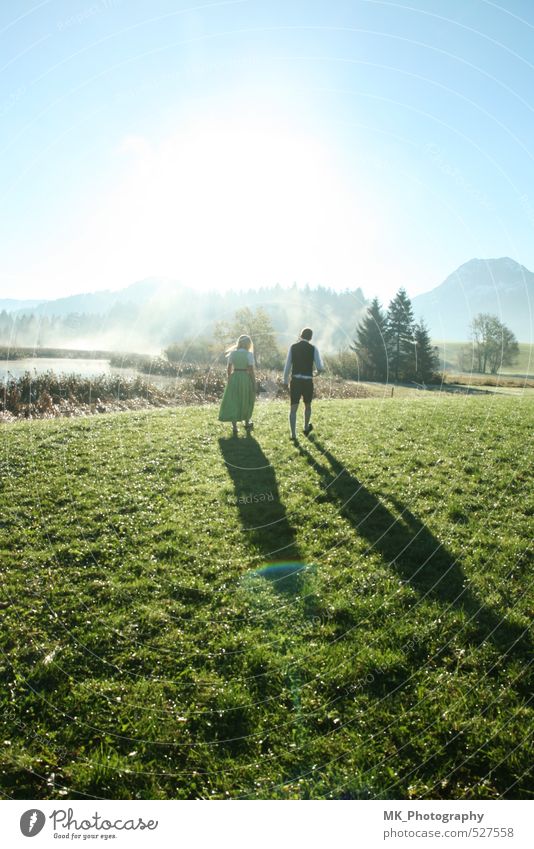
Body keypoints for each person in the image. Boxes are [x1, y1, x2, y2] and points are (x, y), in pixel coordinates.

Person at [283, 327, 324, 440]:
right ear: (310, 337)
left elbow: (287, 367)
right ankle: (306, 427)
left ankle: (293, 434)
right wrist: (315, 373)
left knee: (293, 408)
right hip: (307, 381)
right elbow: (320, 367)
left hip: (295, 381)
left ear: (301, 335)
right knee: (308, 405)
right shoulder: (313, 349)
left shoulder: (293, 347)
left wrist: (285, 381)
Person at [218, 334, 256, 436]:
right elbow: (251, 370)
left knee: (234, 400)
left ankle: (235, 427)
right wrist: (254, 382)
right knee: (246, 399)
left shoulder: (232, 354)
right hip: (245, 377)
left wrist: (229, 378)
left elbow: (229, 368)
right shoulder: (249, 355)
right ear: (248, 344)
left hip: (234, 377)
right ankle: (247, 422)